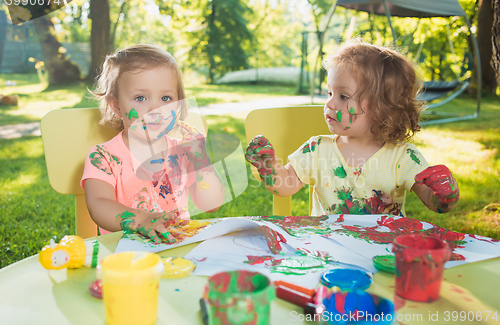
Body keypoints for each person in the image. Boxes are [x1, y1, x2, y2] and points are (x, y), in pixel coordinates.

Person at [245, 42, 459, 216]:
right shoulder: (317, 149)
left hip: (381, 254)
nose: (329, 104)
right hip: (329, 252)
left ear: (380, 107)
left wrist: (446, 194)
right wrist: (268, 166)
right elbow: (286, 186)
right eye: (329, 93)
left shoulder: (403, 158)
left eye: (343, 96)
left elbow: (435, 204)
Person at [81, 44, 224, 242]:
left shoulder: (182, 152)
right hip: (126, 254)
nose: (156, 109)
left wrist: (202, 162)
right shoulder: (103, 157)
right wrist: (141, 219)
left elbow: (212, 204)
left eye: (166, 98)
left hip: (179, 246)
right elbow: (98, 204)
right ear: (116, 105)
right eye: (141, 98)